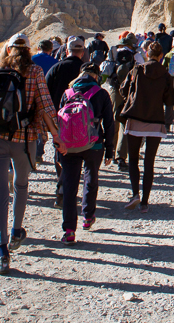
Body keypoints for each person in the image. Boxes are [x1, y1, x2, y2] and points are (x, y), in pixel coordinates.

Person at [0, 33, 62, 275]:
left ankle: (2, 252)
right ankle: (16, 231)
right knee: (21, 185)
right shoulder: (34, 72)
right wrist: (56, 135)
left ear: (8, 49)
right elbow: (46, 106)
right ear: (28, 50)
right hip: (24, 140)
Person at [57, 63, 115, 243]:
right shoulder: (101, 93)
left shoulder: (67, 94)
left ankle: (69, 230)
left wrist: (58, 150)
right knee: (91, 177)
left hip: (69, 146)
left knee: (69, 185)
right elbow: (109, 124)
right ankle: (88, 217)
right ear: (96, 76)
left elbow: (59, 121)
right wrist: (110, 150)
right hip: (94, 145)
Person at [116, 41, 174, 211]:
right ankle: (145, 203)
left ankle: (135, 194)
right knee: (149, 162)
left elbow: (123, 90)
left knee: (133, 159)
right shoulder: (166, 75)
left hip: (135, 118)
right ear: (161, 56)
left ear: (147, 54)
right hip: (156, 121)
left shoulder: (137, 70)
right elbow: (169, 100)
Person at [46, 36, 87, 208]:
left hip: (58, 119)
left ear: (66, 50)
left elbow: (46, 94)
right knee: (76, 155)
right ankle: (67, 189)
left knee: (60, 152)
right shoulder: (85, 70)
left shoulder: (56, 68)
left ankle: (62, 188)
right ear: (82, 52)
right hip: (81, 119)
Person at [103, 33, 139, 170]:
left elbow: (105, 72)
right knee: (125, 121)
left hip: (114, 88)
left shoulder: (113, 54)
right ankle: (121, 157)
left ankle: (110, 152)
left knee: (114, 119)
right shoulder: (135, 55)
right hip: (129, 90)